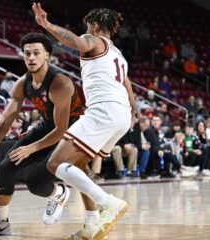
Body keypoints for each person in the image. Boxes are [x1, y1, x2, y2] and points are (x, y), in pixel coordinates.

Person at [32, 4, 136, 238]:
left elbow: (78, 43)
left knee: (55, 163)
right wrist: (133, 113)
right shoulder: (118, 55)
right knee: (78, 165)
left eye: (88, 26)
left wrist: (46, 25)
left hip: (103, 110)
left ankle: (107, 202)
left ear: (95, 25)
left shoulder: (94, 40)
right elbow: (128, 88)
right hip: (121, 114)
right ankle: (93, 223)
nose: (85, 31)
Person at [0, 33, 86, 236]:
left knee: (35, 183)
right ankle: (1, 222)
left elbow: (61, 129)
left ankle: (59, 193)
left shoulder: (61, 83)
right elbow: (5, 120)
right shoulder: (22, 83)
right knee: (7, 167)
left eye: (36, 53)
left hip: (73, 132)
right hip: (47, 126)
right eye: (27, 54)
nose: (31, 58)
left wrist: (32, 148)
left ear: (47, 56)